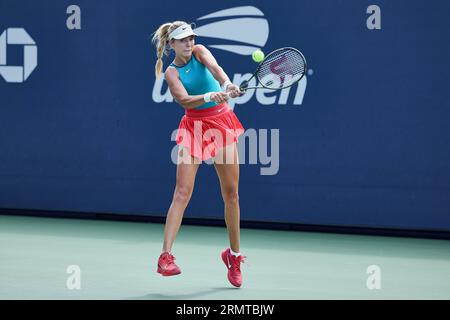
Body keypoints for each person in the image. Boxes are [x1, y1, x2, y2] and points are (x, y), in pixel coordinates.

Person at [151, 21, 246, 287]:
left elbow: (217, 70)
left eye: (191, 38)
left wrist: (227, 86)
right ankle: (165, 257)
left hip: (221, 123)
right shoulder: (171, 73)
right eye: (183, 40)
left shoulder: (201, 51)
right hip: (194, 128)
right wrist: (209, 95)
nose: (189, 44)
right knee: (182, 192)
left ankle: (234, 256)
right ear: (172, 45)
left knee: (232, 194)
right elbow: (184, 100)